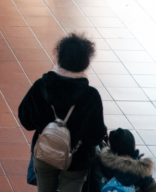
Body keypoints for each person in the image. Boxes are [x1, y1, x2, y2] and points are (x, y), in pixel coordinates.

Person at [18, 34, 106, 192]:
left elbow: (26, 121)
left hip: (44, 153)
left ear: (60, 57)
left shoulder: (40, 87)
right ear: (85, 62)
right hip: (76, 160)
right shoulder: (91, 96)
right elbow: (95, 135)